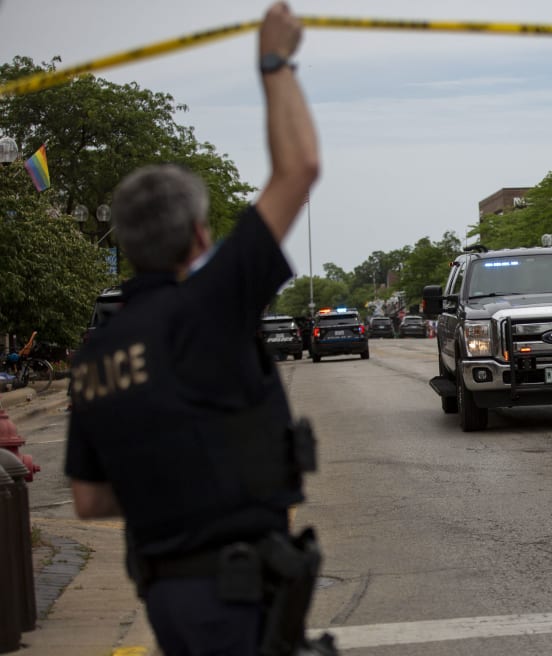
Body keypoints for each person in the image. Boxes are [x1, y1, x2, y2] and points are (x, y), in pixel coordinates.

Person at [64, 4, 328, 655]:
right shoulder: (207, 306)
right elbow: (298, 171)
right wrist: (276, 62)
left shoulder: (95, 354)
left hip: (168, 598)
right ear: (200, 235)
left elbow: (91, 501)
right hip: (233, 598)